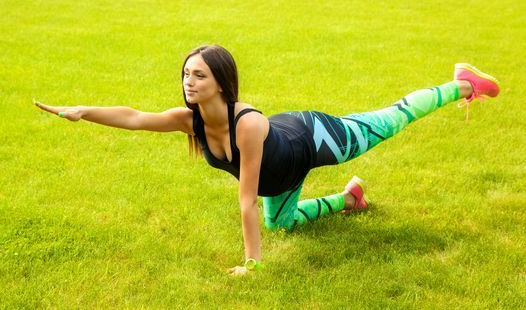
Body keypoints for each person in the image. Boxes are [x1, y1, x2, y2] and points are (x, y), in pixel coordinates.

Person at [35, 45, 501, 276]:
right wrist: (83, 112)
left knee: (388, 121)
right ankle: (349, 199)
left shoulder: (248, 126)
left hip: (311, 138)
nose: (188, 82)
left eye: (198, 75)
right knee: (284, 224)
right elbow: (135, 118)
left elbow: (246, 200)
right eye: (185, 74)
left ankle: (460, 84)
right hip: (285, 174)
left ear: (221, 81)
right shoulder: (189, 120)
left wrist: (252, 266)